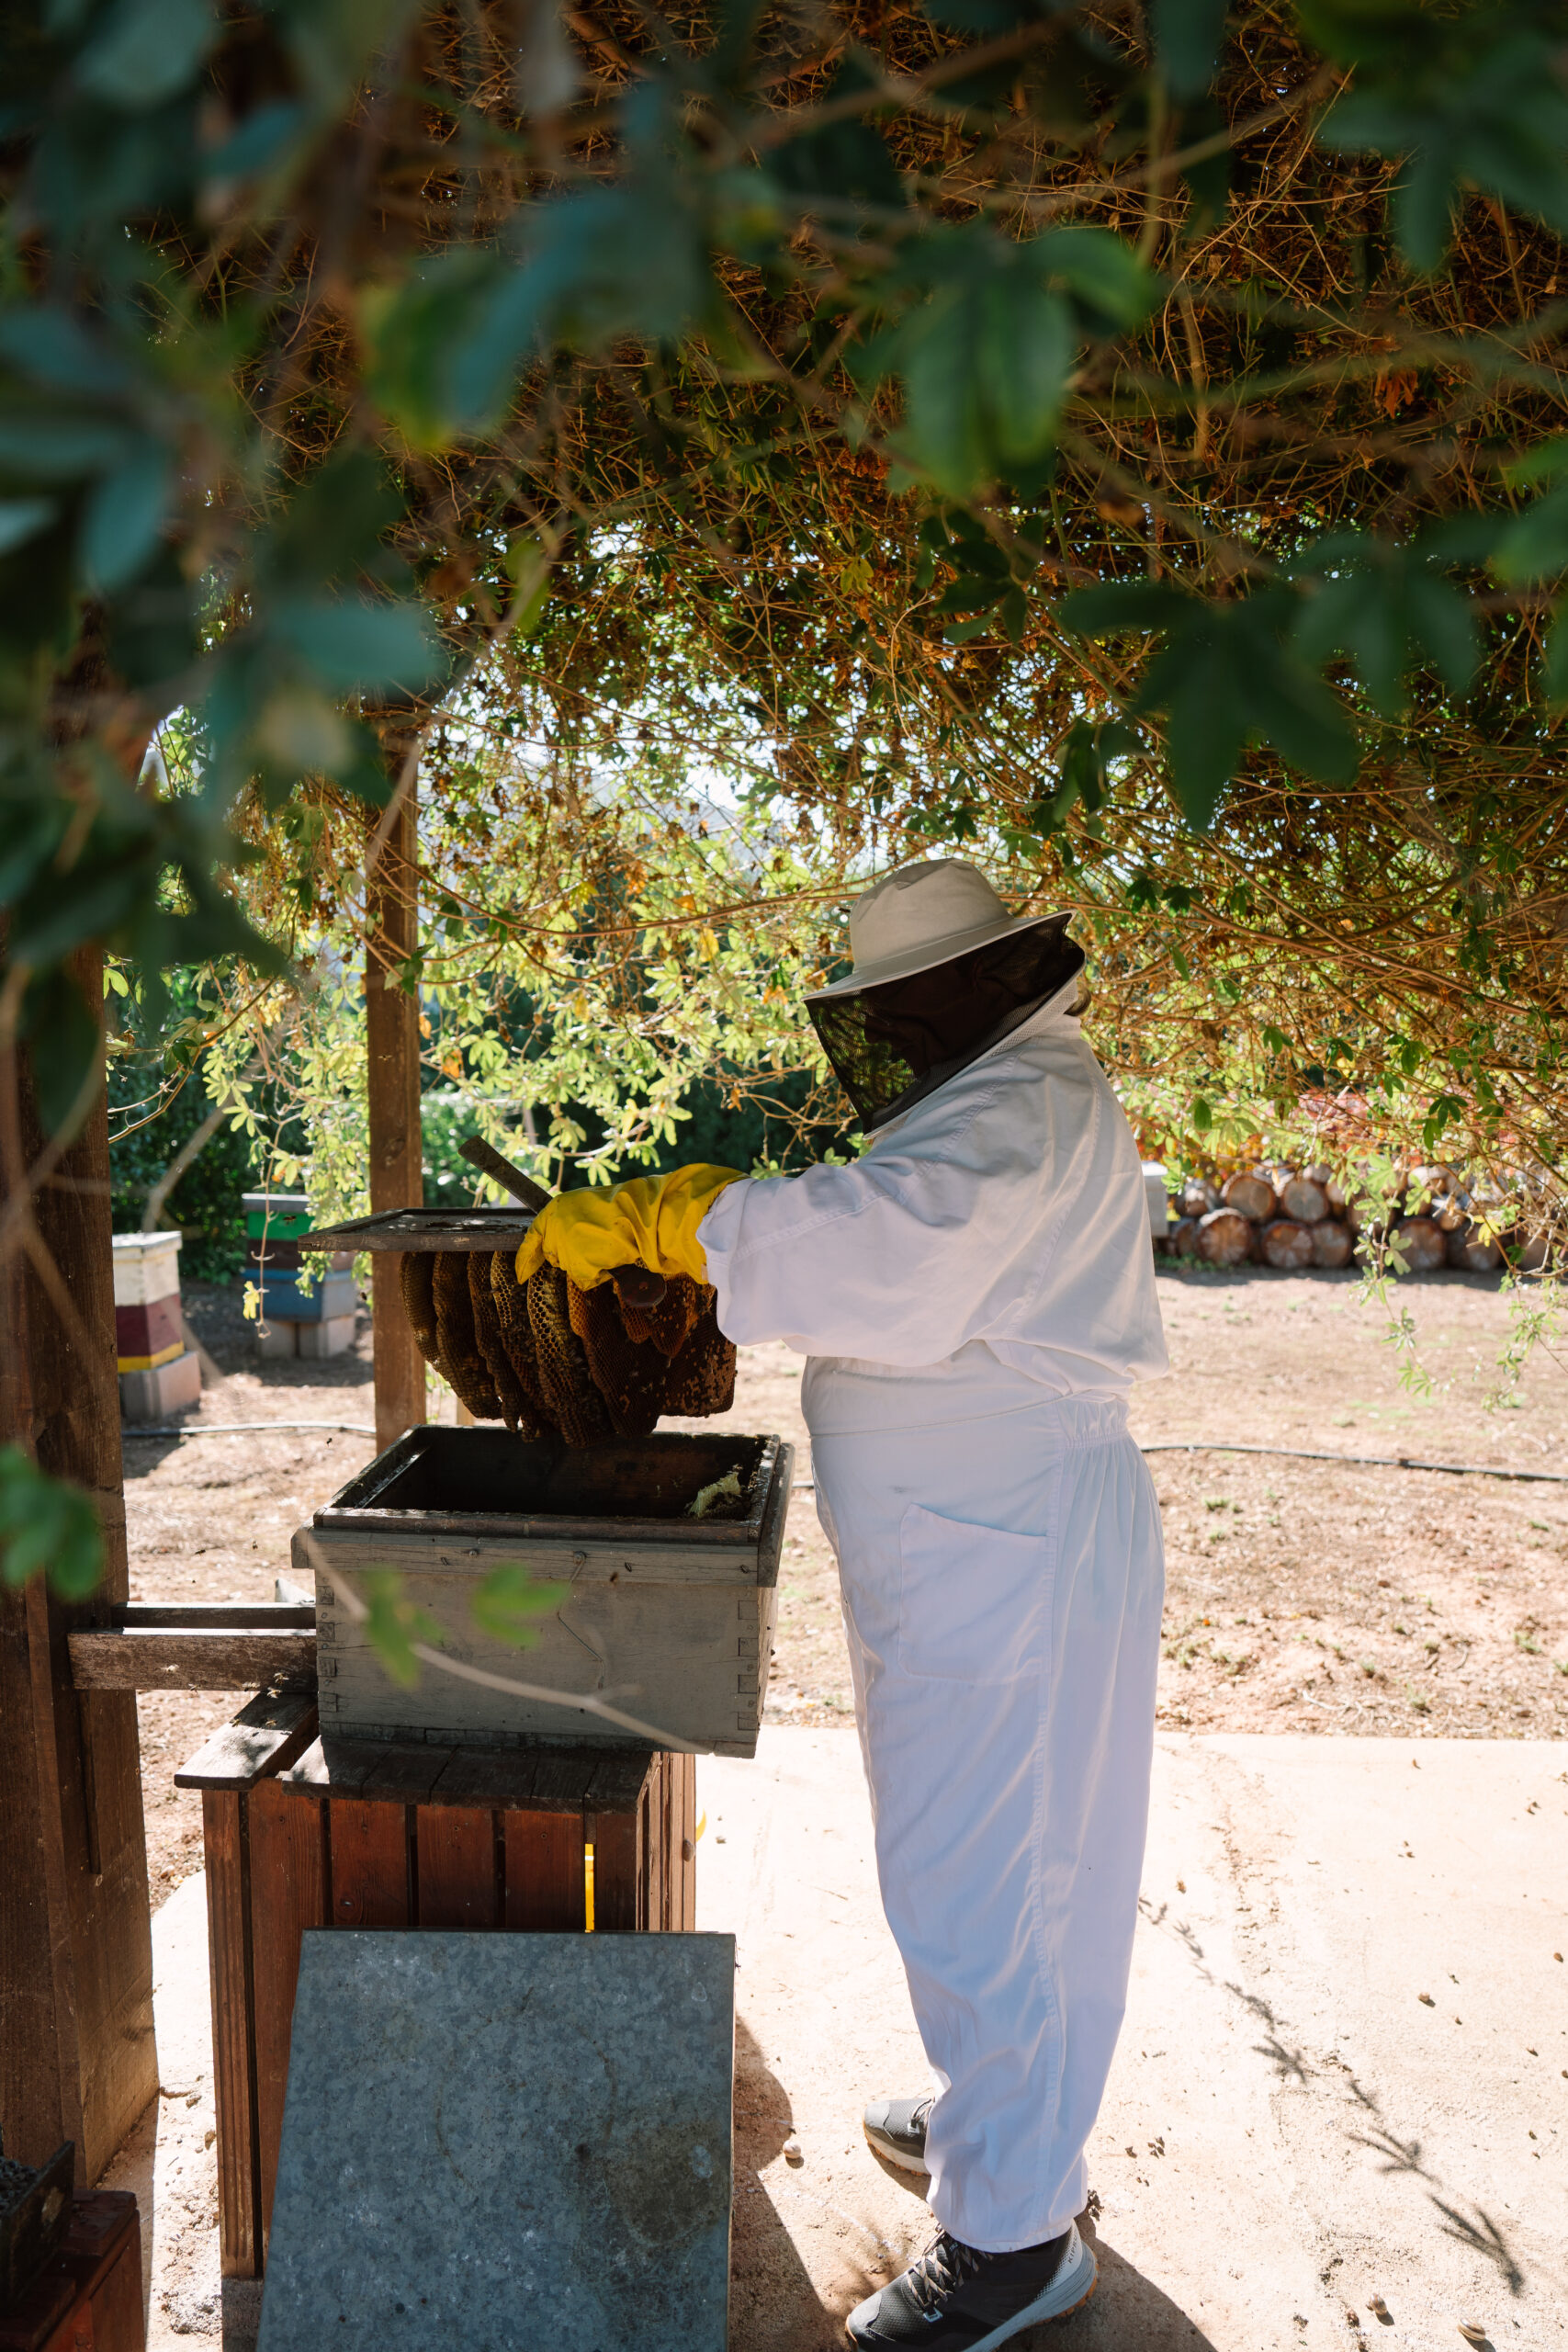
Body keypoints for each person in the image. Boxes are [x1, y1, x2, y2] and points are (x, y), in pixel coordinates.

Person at [517, 858, 1168, 2352]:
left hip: (1005, 1540)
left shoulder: (1021, 1104)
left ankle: (1011, 2246)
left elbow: (883, 1252)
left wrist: (695, 1223)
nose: (897, 1025)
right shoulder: (1013, 1100)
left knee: (998, 1876)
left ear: (976, 984)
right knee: (990, 1866)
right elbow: (892, 1241)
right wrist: (706, 1225)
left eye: (908, 997)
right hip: (982, 1541)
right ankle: (1005, 2133)